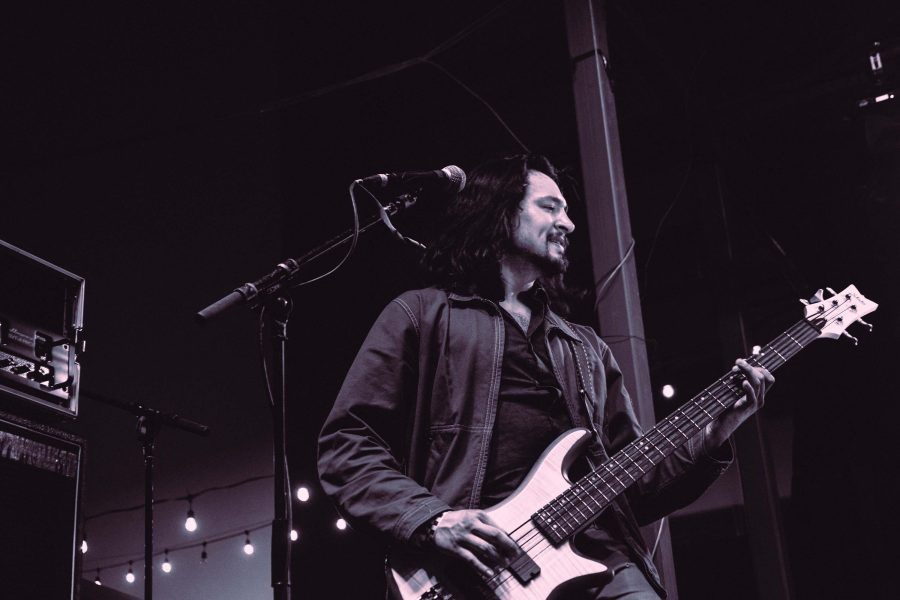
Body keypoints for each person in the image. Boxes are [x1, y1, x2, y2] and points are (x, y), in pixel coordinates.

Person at [317, 154, 773, 599]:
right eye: (549, 207)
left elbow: (635, 487)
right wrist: (432, 519)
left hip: (603, 561)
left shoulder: (586, 348)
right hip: (475, 571)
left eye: (568, 211)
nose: (568, 224)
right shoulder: (421, 315)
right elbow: (347, 446)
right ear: (499, 212)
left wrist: (712, 436)